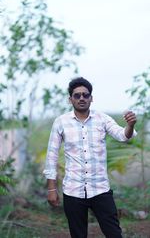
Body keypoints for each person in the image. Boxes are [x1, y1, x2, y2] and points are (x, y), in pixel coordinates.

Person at [43, 77, 137, 238]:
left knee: (114, 233)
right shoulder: (61, 122)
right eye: (77, 95)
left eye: (85, 95)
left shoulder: (102, 119)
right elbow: (51, 157)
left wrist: (130, 125)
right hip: (73, 191)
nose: (81, 98)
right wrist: (52, 189)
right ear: (70, 99)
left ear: (91, 98)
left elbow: (123, 136)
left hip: (100, 189)